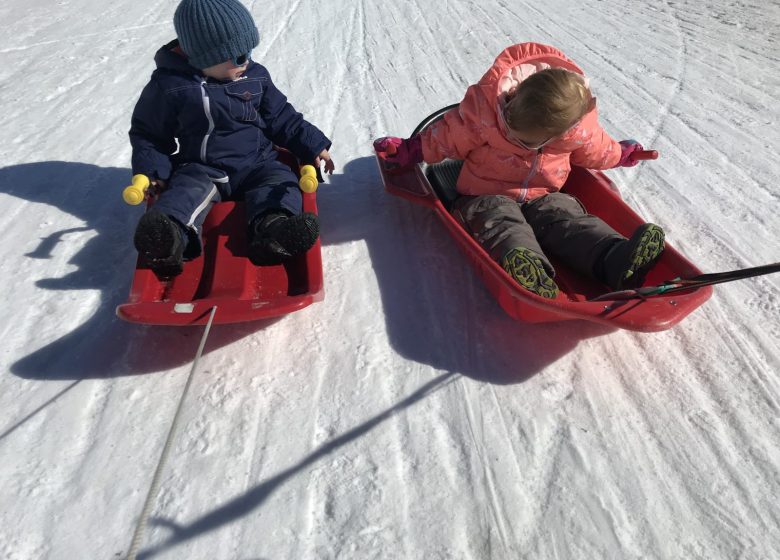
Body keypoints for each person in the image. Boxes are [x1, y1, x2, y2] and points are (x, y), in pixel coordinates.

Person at [375, 42, 664, 299]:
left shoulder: (576, 132)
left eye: (526, 140)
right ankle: (526, 267)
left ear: (561, 134)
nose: (515, 139)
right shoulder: (486, 117)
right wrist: (409, 150)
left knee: (566, 216)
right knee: (499, 221)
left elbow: (600, 150)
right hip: (486, 193)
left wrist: (623, 154)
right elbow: (445, 136)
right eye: (511, 129)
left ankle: (614, 258)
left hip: (543, 194)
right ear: (512, 99)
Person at [129, 0, 334, 278]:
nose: (247, 60)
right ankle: (169, 239)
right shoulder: (172, 87)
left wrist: (313, 144)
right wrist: (152, 172)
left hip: (258, 163)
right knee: (183, 194)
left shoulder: (255, 77)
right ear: (203, 58)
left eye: (249, 51)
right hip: (202, 168)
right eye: (238, 56)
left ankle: (274, 232)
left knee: (282, 184)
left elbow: (282, 117)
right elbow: (149, 133)